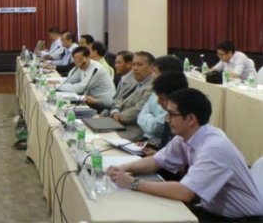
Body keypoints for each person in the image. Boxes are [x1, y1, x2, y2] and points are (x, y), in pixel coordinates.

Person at [107, 88, 263, 221]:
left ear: (190, 119)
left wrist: (133, 183)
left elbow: (184, 192)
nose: (167, 119)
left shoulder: (215, 147)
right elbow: (156, 160)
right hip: (213, 212)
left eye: (171, 114)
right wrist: (121, 168)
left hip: (241, 219)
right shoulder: (187, 136)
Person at [108, 51, 155, 141]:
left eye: (139, 65)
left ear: (151, 68)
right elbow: (119, 100)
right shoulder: (136, 82)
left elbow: (138, 110)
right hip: (118, 124)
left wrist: (118, 117)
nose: (135, 68)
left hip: (133, 130)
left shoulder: (151, 87)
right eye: (133, 65)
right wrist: (115, 112)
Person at [137, 56, 183, 145]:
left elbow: (155, 127)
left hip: (159, 143)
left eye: (155, 72)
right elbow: (140, 116)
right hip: (146, 141)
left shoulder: (176, 98)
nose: (151, 75)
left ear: (167, 74)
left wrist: (147, 117)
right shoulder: (156, 92)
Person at [57, 46, 115, 113]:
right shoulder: (81, 65)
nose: (79, 63)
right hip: (89, 100)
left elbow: (80, 88)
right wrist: (56, 83)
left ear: (88, 57)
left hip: (102, 103)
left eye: (80, 60)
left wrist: (58, 86)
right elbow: (70, 80)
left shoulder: (96, 69)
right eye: (76, 61)